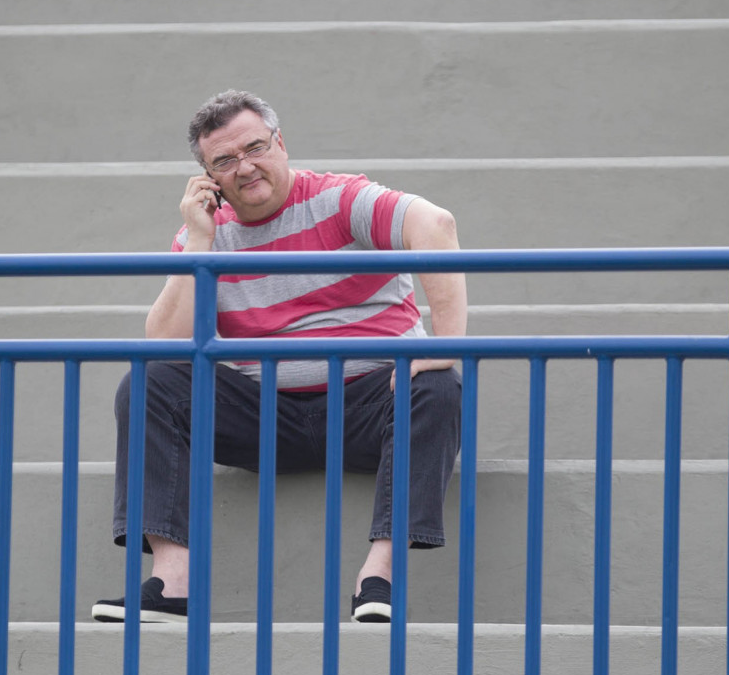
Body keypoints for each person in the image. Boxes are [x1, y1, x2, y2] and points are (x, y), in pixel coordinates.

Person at [92, 89, 466, 624]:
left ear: (280, 143)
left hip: (368, 408)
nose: (245, 167)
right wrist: (199, 243)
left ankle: (378, 577)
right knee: (150, 379)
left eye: (255, 148)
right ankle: (172, 583)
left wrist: (446, 343)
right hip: (265, 417)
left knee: (438, 384)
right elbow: (166, 345)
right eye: (224, 161)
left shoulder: (339, 199)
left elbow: (438, 226)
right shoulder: (205, 233)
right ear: (208, 177)